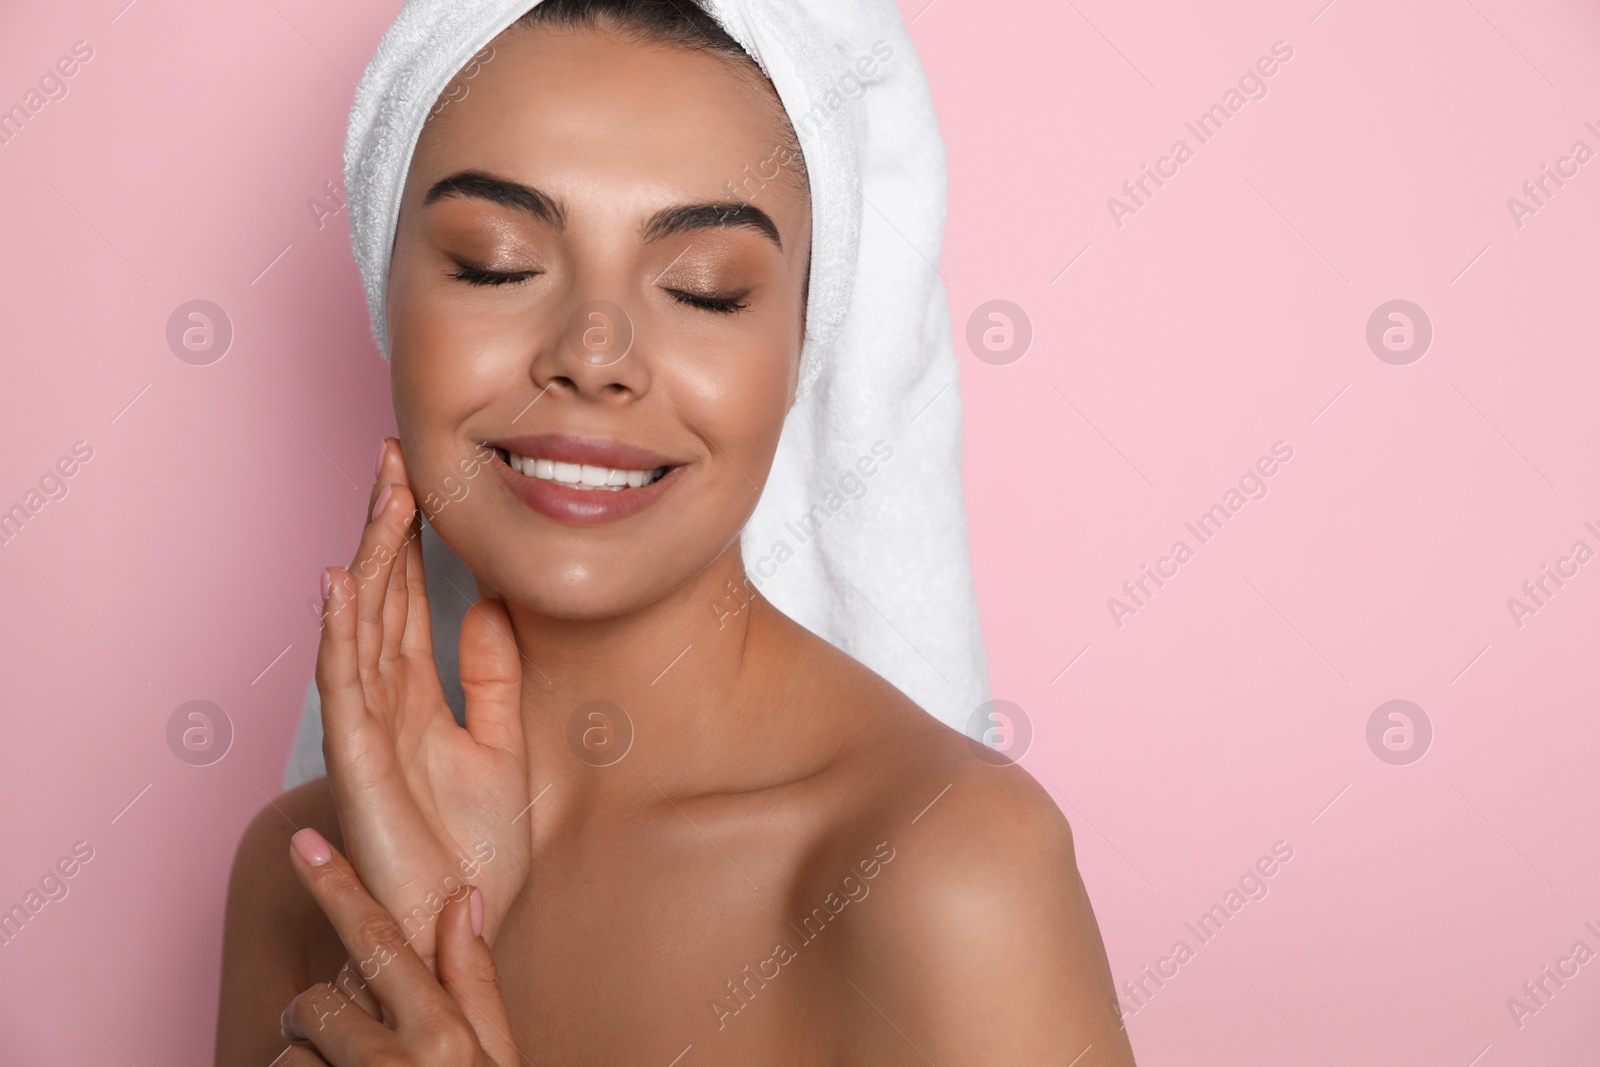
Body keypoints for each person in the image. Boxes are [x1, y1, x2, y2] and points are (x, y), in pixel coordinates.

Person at [216, 1, 1137, 1063]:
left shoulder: (945, 868)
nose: (595, 351)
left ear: (802, 347)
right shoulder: (302, 872)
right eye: (496, 262)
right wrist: (418, 949)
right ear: (389, 301)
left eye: (705, 289)